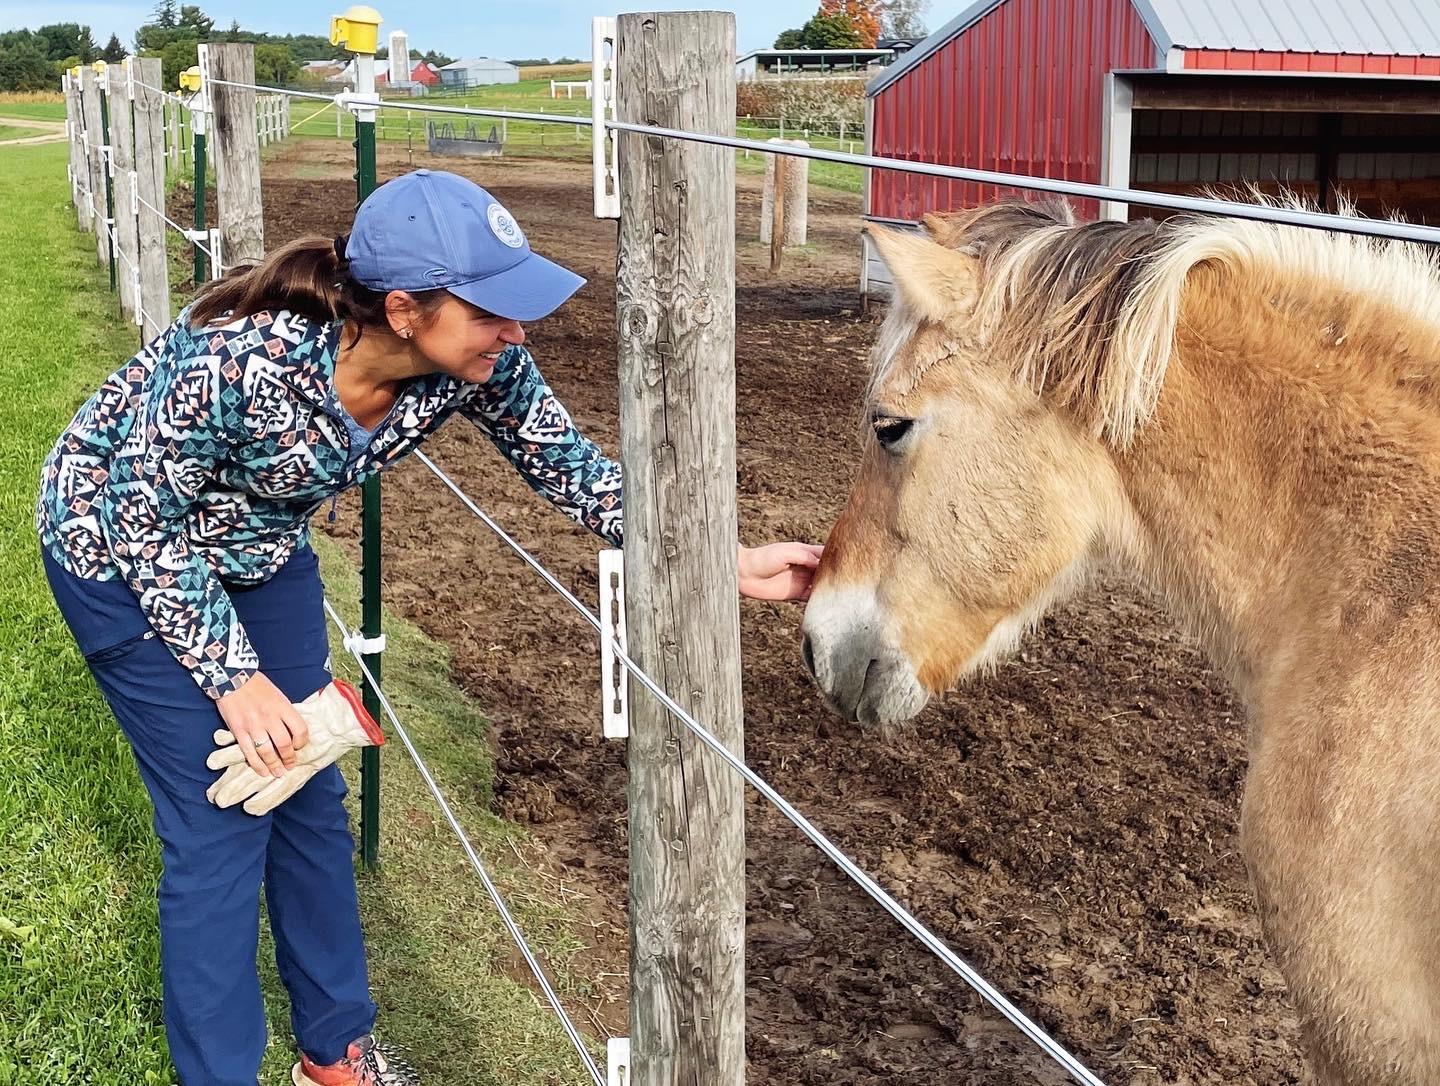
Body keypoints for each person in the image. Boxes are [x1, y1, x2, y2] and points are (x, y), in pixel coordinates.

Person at [36, 168, 822, 1086]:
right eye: (493, 310)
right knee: (221, 820)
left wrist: (716, 558)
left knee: (308, 796)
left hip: (256, 549)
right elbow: (142, 518)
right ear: (404, 309)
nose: (517, 331)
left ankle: (336, 1053)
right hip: (117, 550)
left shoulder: (476, 367)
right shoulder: (240, 360)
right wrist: (234, 681)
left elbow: (572, 470)